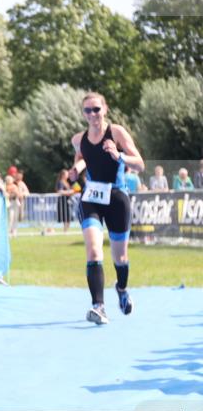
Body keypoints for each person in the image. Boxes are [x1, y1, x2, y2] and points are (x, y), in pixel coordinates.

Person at [69, 92, 144, 325]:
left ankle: (121, 288)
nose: (92, 115)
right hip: (91, 197)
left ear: (105, 109)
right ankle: (98, 306)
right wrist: (75, 169)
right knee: (93, 250)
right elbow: (83, 157)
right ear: (83, 114)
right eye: (87, 110)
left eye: (96, 109)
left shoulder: (117, 132)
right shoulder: (78, 139)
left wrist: (118, 155)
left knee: (120, 257)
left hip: (116, 197)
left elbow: (140, 164)